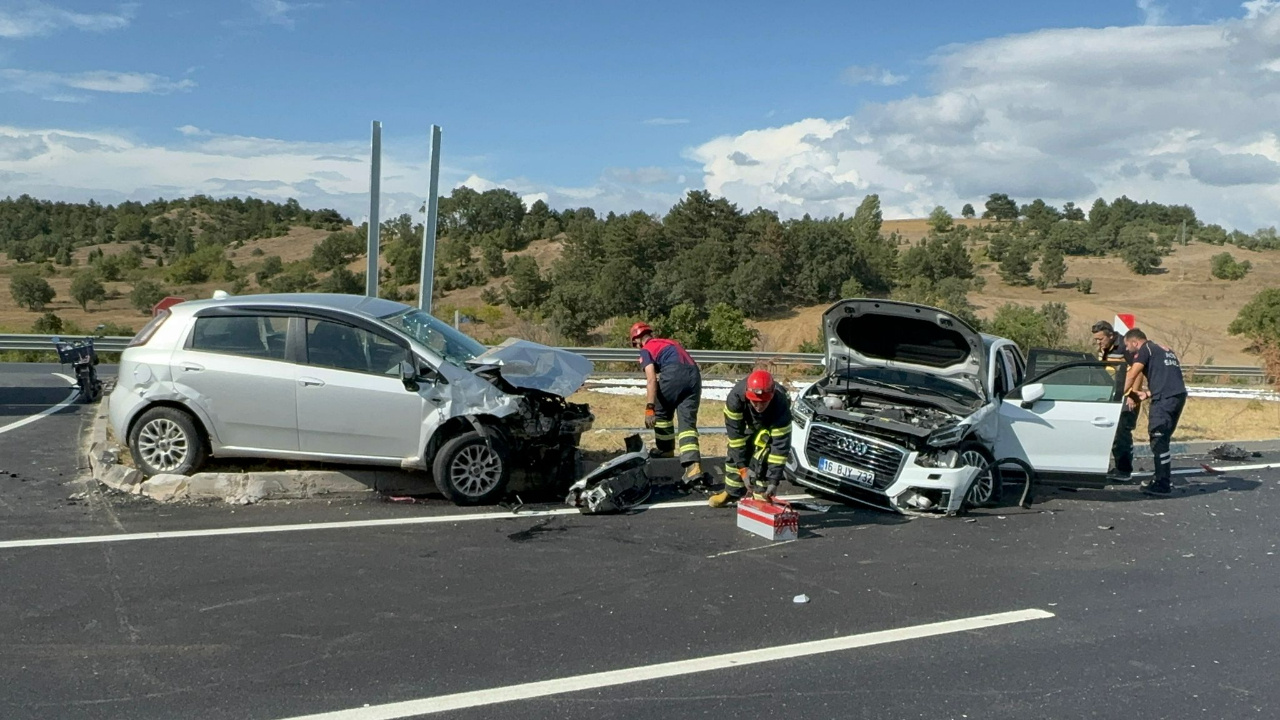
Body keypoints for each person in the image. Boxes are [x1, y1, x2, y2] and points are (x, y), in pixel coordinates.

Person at [630, 322, 708, 487]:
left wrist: (650, 407)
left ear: (637, 339)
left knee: (661, 410)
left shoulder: (646, 350)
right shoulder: (670, 342)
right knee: (687, 424)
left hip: (674, 373)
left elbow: (651, 379)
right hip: (694, 376)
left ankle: (666, 450)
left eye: (635, 344)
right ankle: (693, 466)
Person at [709, 369, 792, 508]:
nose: (759, 406)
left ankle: (762, 495)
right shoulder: (735, 399)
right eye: (755, 402)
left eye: (763, 402)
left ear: (771, 396)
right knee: (735, 452)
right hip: (748, 422)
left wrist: (773, 481)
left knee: (764, 455)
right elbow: (736, 437)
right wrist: (743, 470)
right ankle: (732, 492)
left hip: (770, 424)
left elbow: (779, 448)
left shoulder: (781, 405)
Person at [1122, 328, 1187, 495]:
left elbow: (1132, 374)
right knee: (1162, 438)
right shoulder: (1164, 350)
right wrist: (1148, 393)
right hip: (1177, 397)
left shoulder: (1145, 349)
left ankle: (1162, 484)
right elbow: (1168, 378)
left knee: (1158, 438)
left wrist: (1116, 394)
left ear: (1135, 342)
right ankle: (1160, 475)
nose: (1127, 350)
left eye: (1128, 346)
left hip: (1164, 400)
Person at [1092, 320, 1140, 481]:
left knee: (1122, 432)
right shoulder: (1104, 348)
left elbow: (1138, 371)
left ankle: (1124, 470)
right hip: (1110, 394)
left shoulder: (1124, 347)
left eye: (1101, 339)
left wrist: (1133, 394)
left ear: (1111, 335)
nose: (1098, 342)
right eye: (1096, 340)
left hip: (1127, 395)